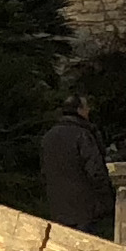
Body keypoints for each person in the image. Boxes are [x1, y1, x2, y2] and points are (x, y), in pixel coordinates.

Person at [39, 92, 114, 237]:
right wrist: (106, 200)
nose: (89, 111)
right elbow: (95, 171)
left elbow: (44, 171)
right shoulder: (83, 135)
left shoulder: (49, 136)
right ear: (79, 110)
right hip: (84, 208)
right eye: (86, 107)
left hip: (57, 206)